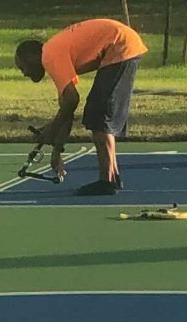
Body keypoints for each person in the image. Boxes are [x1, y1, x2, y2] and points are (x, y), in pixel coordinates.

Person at [15, 18, 147, 195]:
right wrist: (57, 150)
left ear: (30, 57)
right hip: (122, 44)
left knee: (99, 115)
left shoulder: (50, 56)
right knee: (98, 114)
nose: (24, 73)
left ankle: (107, 181)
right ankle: (112, 177)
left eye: (22, 67)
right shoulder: (53, 53)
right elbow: (67, 108)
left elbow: (71, 100)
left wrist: (51, 129)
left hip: (120, 45)